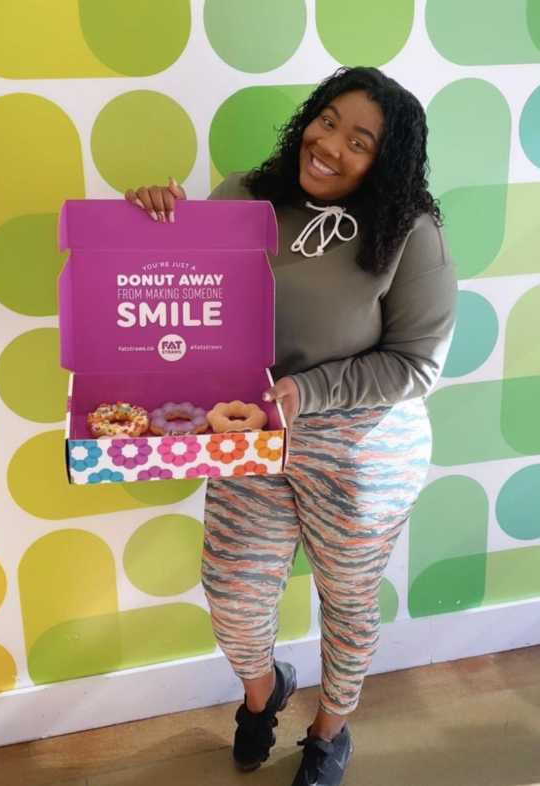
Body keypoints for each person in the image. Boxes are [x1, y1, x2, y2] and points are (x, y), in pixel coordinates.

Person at [125, 66, 457, 786]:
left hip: (362, 442)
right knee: (235, 595)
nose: (330, 143)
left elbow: (416, 364)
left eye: (359, 140)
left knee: (347, 597)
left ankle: (329, 731)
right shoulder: (244, 195)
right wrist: (154, 223)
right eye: (328, 119)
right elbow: (181, 298)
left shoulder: (411, 233)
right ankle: (262, 691)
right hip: (249, 426)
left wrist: (307, 391)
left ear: (385, 163)